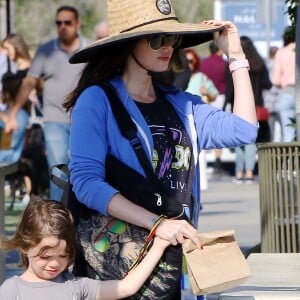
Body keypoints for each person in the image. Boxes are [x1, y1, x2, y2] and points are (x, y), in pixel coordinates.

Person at [64, 0, 258, 298]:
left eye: (172, 38)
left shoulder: (182, 104)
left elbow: (245, 129)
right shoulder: (96, 100)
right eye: (157, 39)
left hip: (171, 257)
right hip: (117, 257)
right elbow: (87, 184)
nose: (167, 46)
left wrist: (235, 56)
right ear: (127, 45)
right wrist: (157, 225)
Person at [0, 198, 171, 299]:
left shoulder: (75, 286)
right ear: (24, 246)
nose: (55, 263)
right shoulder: (10, 291)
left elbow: (126, 288)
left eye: (64, 255)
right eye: (45, 257)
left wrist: (158, 247)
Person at [4, 5, 90, 201]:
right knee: (58, 171)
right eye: (58, 23)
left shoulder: (90, 49)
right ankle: (57, 223)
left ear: (77, 24)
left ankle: (81, 220)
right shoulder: (45, 51)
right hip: (54, 119)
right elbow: (29, 83)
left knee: (85, 171)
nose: (62, 26)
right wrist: (14, 113)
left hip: (85, 120)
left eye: (67, 22)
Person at [225, 36, 271, 183]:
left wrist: (226, 102)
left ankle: (239, 172)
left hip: (237, 104)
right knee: (251, 139)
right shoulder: (260, 63)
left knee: (238, 139)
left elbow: (230, 89)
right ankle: (250, 173)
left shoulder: (233, 64)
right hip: (256, 105)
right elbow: (267, 84)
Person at [185, 48, 219, 191]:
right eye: (186, 61)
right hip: (181, 119)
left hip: (197, 120)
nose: (189, 64)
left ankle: (200, 185)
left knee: (200, 154)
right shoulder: (176, 77)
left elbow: (214, 94)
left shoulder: (201, 77)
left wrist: (207, 93)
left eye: (191, 61)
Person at [200, 41, 228, 175]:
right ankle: (217, 161)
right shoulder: (224, 64)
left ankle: (202, 162)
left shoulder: (203, 64)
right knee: (219, 130)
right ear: (219, 50)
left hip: (205, 98)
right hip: (220, 97)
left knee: (205, 128)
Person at [272, 26, 296, 142]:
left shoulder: (281, 53)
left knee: (288, 131)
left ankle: (291, 159)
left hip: (286, 93)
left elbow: (275, 80)